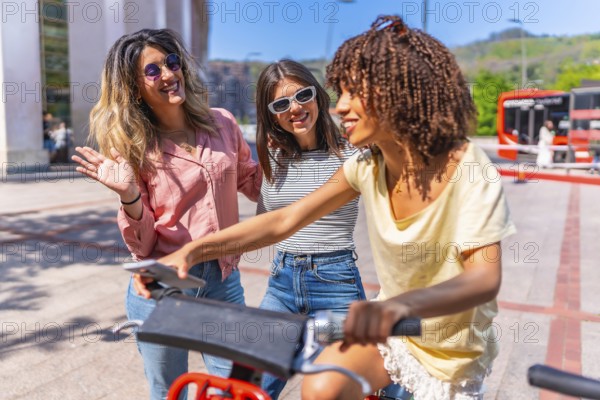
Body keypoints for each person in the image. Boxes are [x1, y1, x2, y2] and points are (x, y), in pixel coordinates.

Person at [159, 15, 516, 400]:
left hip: (448, 346)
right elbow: (286, 218)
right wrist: (192, 250)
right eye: (339, 93)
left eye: (353, 93)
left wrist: (396, 309)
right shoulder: (365, 166)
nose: (341, 106)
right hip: (387, 332)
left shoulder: (465, 164)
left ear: (395, 92)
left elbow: (483, 279)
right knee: (320, 385)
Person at [71, 28, 261, 400]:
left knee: (240, 386)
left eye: (172, 63)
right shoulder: (133, 147)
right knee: (170, 392)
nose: (169, 74)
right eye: (153, 70)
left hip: (222, 280)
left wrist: (293, 159)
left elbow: (252, 182)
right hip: (162, 285)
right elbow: (142, 247)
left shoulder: (222, 122)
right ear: (134, 86)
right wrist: (128, 195)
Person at [253, 59, 366, 399]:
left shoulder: (353, 153)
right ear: (271, 112)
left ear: (317, 95)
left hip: (335, 284)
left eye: (303, 95)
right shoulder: (273, 158)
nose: (296, 108)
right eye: (281, 103)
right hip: (282, 284)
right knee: (250, 381)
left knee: (332, 386)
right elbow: (264, 221)